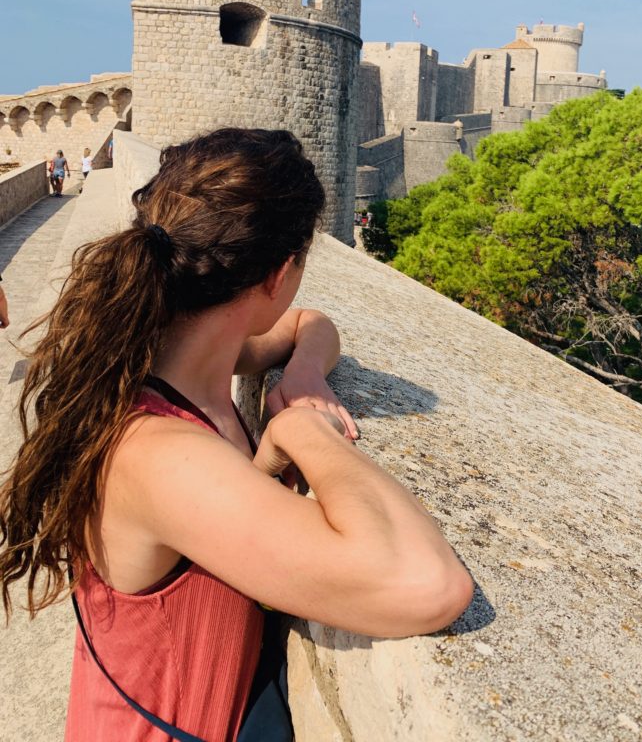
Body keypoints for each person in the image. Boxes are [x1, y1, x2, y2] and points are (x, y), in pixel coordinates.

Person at [0, 127, 472, 741]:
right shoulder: (160, 454)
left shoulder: (178, 354)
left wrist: (302, 372)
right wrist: (306, 431)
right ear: (278, 274)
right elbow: (427, 585)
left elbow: (311, 324)